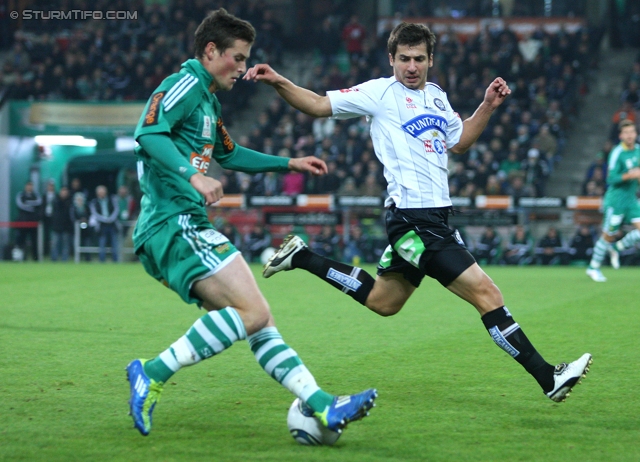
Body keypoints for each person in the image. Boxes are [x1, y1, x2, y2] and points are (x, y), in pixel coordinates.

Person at [246, 21, 591, 403]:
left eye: (420, 59)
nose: (412, 67)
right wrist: (278, 81)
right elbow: (317, 104)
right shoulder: (378, 93)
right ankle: (548, 378)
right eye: (405, 59)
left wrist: (488, 106)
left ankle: (302, 257)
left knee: (384, 302)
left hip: (434, 219)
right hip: (413, 220)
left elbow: (459, 142)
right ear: (391, 59)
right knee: (487, 293)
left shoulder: (438, 97)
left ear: (431, 60)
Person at [125, 9, 376, 438]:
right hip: (173, 222)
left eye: (245, 60)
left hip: (176, 226)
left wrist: (288, 162)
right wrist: (193, 175)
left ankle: (321, 405)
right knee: (255, 311)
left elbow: (229, 154)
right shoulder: (184, 84)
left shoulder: (206, 100)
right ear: (210, 51)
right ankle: (150, 372)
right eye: (237, 58)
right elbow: (148, 133)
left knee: (257, 320)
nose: (242, 69)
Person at [586, 119, 640, 281]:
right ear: (621, 135)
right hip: (616, 200)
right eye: (626, 133)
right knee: (608, 234)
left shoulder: (638, 150)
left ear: (636, 134)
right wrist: (631, 175)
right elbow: (611, 178)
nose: (630, 135)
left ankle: (617, 248)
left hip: (631, 199)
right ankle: (593, 267)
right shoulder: (617, 152)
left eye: (632, 132)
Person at [89, 185, 120, 263]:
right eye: (100, 192)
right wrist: (105, 219)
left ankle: (115, 260)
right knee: (102, 243)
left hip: (112, 224)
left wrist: (111, 218)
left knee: (114, 243)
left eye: (103, 192)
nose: (102, 193)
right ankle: (102, 260)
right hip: (102, 225)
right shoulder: (94, 202)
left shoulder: (112, 200)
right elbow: (95, 213)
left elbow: (116, 209)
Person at [15, 180, 41, 261]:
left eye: (31, 185)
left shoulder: (36, 195)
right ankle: (21, 258)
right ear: (25, 186)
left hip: (33, 222)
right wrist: (31, 207)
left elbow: (39, 202)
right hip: (23, 222)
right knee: (21, 241)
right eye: (28, 185)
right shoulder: (20, 195)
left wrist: (27, 203)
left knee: (34, 241)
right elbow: (21, 205)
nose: (29, 187)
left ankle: (35, 258)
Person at [50, 186, 73, 261]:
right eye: (63, 191)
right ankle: (54, 260)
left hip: (66, 227)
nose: (64, 193)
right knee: (54, 244)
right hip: (56, 227)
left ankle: (65, 260)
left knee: (65, 245)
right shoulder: (55, 201)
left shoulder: (70, 202)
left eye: (66, 191)